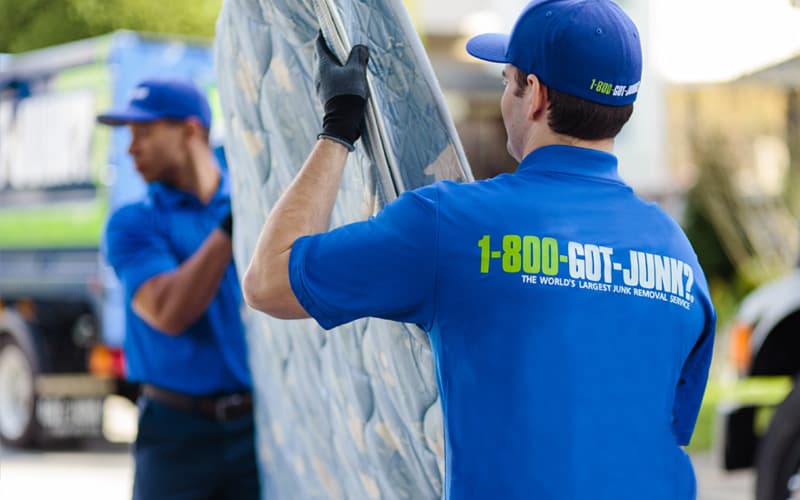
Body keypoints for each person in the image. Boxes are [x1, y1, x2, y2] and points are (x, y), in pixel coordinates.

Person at [243, 1, 715, 498]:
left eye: (505, 80)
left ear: (533, 94)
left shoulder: (452, 226)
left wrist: (338, 128)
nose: (504, 97)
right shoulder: (679, 258)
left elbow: (268, 281)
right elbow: (660, 434)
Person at [98, 79, 260, 500]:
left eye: (144, 132)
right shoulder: (133, 223)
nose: (131, 147)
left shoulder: (254, 192)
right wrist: (232, 225)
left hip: (256, 429)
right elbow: (168, 310)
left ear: (191, 130)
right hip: (174, 433)